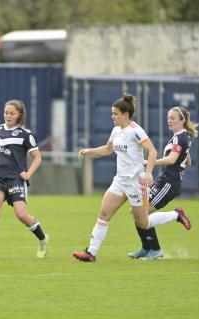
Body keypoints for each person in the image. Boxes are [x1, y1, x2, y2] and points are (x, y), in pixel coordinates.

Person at [72, 93, 191, 262]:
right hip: (120, 181)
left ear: (125, 115)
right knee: (104, 213)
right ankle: (90, 253)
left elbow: (152, 151)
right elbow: (107, 149)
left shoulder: (136, 131)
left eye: (115, 114)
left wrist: (148, 172)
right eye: (112, 113)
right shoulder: (116, 131)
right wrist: (90, 151)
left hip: (137, 183)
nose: (112, 116)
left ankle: (175, 215)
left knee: (143, 222)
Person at [0, 100, 49, 260]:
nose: (8, 115)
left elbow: (37, 158)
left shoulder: (25, 134)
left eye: (12, 113)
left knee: (21, 214)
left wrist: (28, 174)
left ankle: (43, 239)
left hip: (15, 178)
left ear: (19, 115)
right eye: (6, 112)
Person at [128, 106, 197, 260]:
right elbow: (188, 161)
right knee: (135, 212)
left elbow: (172, 159)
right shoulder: (181, 137)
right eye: (168, 118)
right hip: (162, 181)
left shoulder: (180, 137)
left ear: (182, 120)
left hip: (168, 183)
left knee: (143, 213)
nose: (169, 121)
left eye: (173, 118)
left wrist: (149, 162)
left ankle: (174, 218)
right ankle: (146, 247)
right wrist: (182, 158)